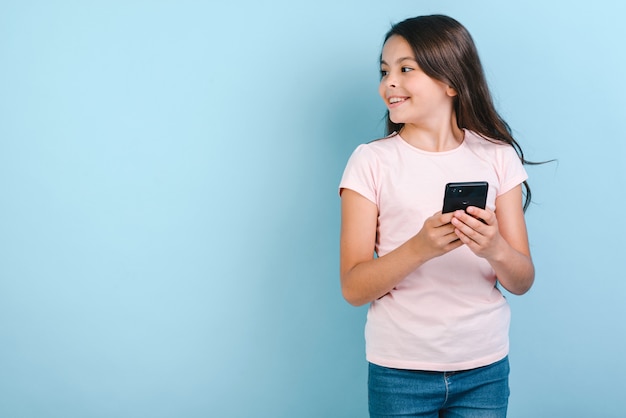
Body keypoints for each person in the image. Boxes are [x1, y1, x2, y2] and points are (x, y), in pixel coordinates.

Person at [339, 15, 535, 417]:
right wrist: (420, 248)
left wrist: (495, 248)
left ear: (450, 82)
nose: (388, 82)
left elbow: (521, 279)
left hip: (484, 367)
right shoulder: (370, 162)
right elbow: (354, 288)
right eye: (384, 71)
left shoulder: (497, 157)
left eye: (406, 69)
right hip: (399, 370)